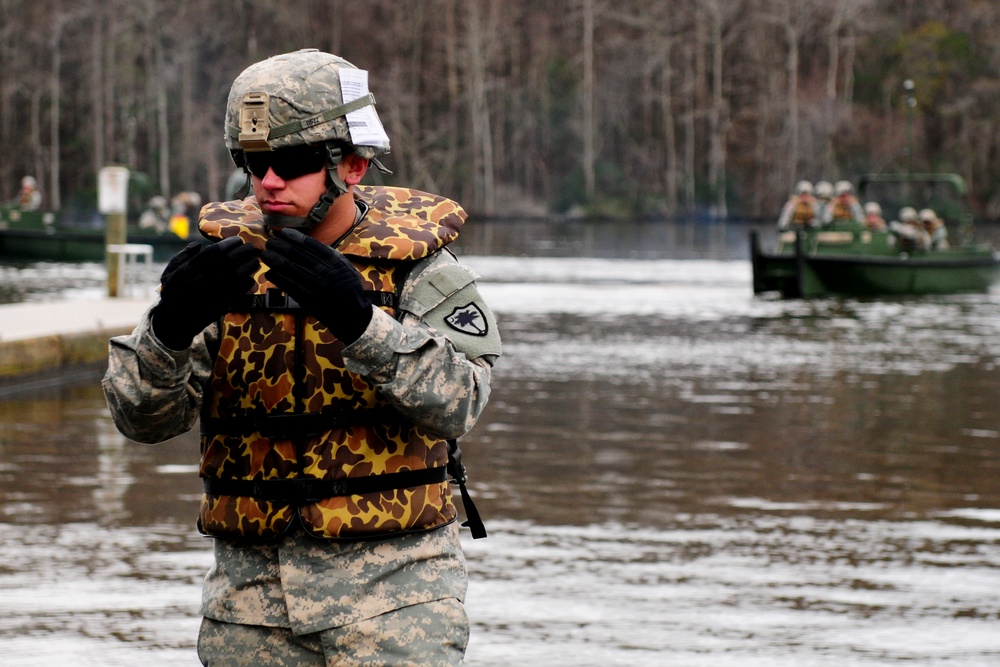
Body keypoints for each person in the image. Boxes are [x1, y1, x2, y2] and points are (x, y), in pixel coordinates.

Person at [102, 49, 501, 666]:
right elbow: (142, 422)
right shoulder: (225, 269)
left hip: (395, 605)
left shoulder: (418, 268)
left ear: (353, 164)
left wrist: (363, 324)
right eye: (252, 164)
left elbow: (461, 403)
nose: (268, 182)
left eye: (290, 162)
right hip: (249, 610)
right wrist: (168, 331)